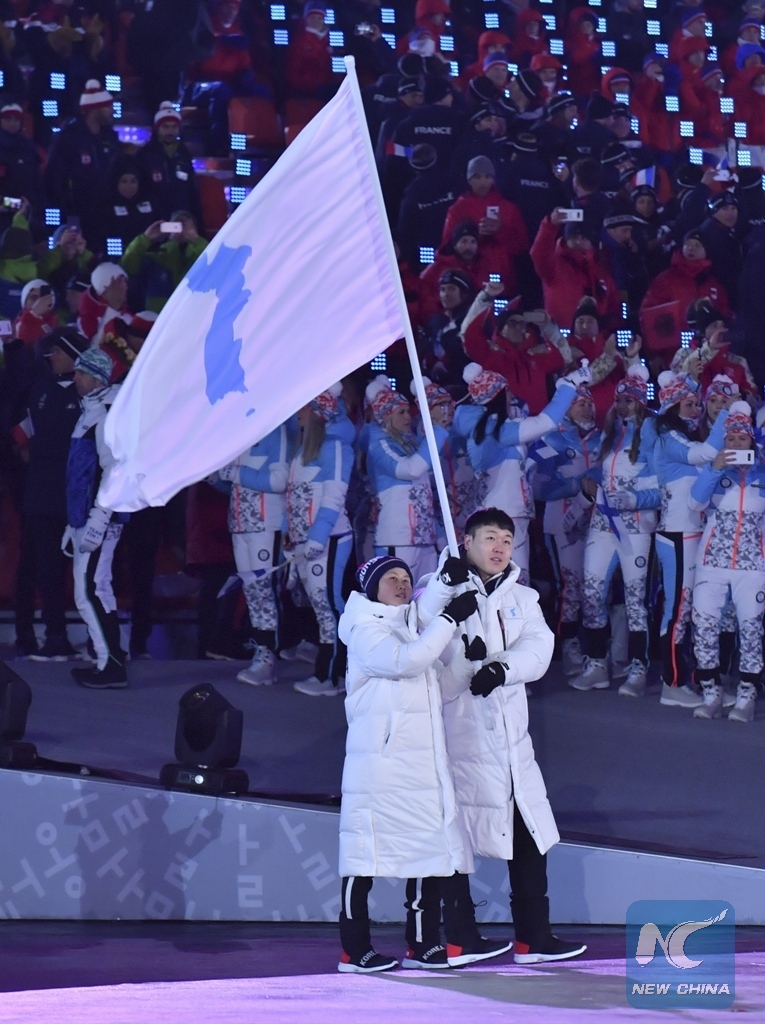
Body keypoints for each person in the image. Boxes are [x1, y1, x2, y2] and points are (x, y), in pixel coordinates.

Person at [417, 508, 587, 964]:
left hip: (512, 746)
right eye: (490, 538)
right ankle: (460, 938)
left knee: (530, 840)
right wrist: (443, 591)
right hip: (460, 743)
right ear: (467, 542)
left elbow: (538, 648)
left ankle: (534, 938)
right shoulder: (435, 590)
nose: (499, 548)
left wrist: (501, 669)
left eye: (507, 540)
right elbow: (422, 646)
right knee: (457, 843)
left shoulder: (523, 598)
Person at [337, 554, 485, 973]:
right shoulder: (364, 629)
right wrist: (449, 620)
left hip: (420, 767)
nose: (402, 584)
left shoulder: (410, 628)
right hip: (378, 767)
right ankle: (354, 950)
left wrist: (465, 660)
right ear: (372, 589)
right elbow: (406, 662)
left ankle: (422, 944)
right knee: (364, 858)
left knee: (428, 853)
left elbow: (441, 687)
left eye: (405, 577)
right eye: (391, 578)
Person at [573, 364, 659, 694]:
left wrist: (631, 499)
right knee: (591, 591)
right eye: (619, 400)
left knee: (636, 600)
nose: (622, 406)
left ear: (641, 402)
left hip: (636, 528)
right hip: (602, 524)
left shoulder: (652, 434)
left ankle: (638, 667)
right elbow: (600, 471)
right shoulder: (610, 434)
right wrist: (587, 479)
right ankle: (597, 663)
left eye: (629, 400)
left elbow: (661, 489)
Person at [651, 371, 730, 708]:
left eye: (697, 404)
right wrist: (729, 411)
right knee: (678, 610)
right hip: (677, 535)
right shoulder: (668, 436)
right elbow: (706, 453)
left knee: (697, 610)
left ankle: (699, 680)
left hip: (695, 534)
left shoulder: (684, 436)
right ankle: (671, 682)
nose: (696, 409)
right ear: (672, 406)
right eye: (689, 404)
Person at [689, 402, 764, 723]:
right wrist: (714, 469)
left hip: (753, 566)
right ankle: (711, 692)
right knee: (704, 625)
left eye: (741, 439)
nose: (735, 444)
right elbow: (694, 503)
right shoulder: (713, 470)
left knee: (751, 628)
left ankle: (747, 694)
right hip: (712, 563)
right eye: (730, 439)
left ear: (752, 442)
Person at [217, 418, 298, 686]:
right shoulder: (238, 434)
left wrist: (233, 473)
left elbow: (280, 480)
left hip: (267, 523)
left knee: (265, 589)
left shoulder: (276, 430)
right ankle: (261, 650)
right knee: (251, 590)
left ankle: (268, 655)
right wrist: (214, 477)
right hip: (240, 523)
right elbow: (233, 483)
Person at [65, 348, 128, 689]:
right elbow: (81, 474)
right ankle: (109, 661)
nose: (75, 377)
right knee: (97, 588)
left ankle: (111, 665)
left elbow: (113, 471)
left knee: (89, 591)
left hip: (100, 519)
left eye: (81, 372)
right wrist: (72, 521)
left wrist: (99, 518)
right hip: (89, 518)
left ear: (96, 377)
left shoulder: (105, 413)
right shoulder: (91, 410)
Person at [287, 384, 355, 696]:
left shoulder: (336, 448)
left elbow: (334, 496)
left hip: (330, 539)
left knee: (329, 603)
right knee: (320, 605)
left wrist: (317, 536)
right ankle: (328, 673)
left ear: (317, 412)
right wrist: (293, 539)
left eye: (303, 406)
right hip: (307, 542)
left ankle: (332, 676)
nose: (297, 413)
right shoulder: (302, 450)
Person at [530, 384, 601, 677]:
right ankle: (569, 646)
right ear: (567, 408)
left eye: (589, 404)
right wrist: (577, 485)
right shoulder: (550, 438)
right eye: (580, 404)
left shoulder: (602, 438)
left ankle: (596, 650)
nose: (586, 409)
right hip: (562, 525)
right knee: (570, 588)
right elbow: (539, 487)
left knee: (594, 587)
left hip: (597, 523)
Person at [363, 374, 446, 583]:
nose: (408, 417)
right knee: (399, 600)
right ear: (386, 416)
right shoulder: (379, 445)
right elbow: (411, 469)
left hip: (424, 540)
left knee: (426, 597)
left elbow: (424, 498)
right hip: (397, 540)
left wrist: (438, 535)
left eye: (408, 411)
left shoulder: (410, 444)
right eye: (401, 412)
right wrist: (437, 432)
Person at [44, 80, 120, 251]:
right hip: (76, 214)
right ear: (94, 109)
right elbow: (54, 177)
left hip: (104, 214)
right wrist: (66, 210)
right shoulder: (68, 137)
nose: (112, 111)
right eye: (108, 106)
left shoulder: (110, 138)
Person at [136, 102, 200, 223]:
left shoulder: (184, 155)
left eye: (174, 127)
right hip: (153, 219)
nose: (170, 131)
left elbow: (191, 190)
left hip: (181, 218)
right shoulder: (145, 155)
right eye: (165, 127)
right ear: (157, 129)